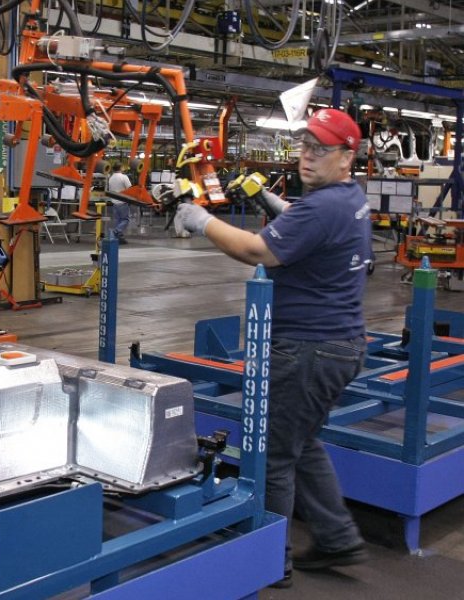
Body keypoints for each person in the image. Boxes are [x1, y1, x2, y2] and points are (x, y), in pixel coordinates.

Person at [175, 108, 372, 588]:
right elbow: (309, 233)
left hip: (307, 350)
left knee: (275, 455)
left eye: (321, 149)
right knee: (302, 441)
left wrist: (202, 221)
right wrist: (269, 200)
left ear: (347, 157)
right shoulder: (348, 199)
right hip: (338, 344)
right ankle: (336, 536)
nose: (308, 156)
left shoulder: (322, 206)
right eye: (305, 145)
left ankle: (270, 560)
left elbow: (257, 251)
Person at [107, 164, 132, 244]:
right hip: (123, 202)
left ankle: (119, 238)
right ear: (121, 168)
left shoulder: (111, 178)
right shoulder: (124, 177)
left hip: (114, 202)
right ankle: (116, 231)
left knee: (118, 220)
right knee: (125, 220)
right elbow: (130, 189)